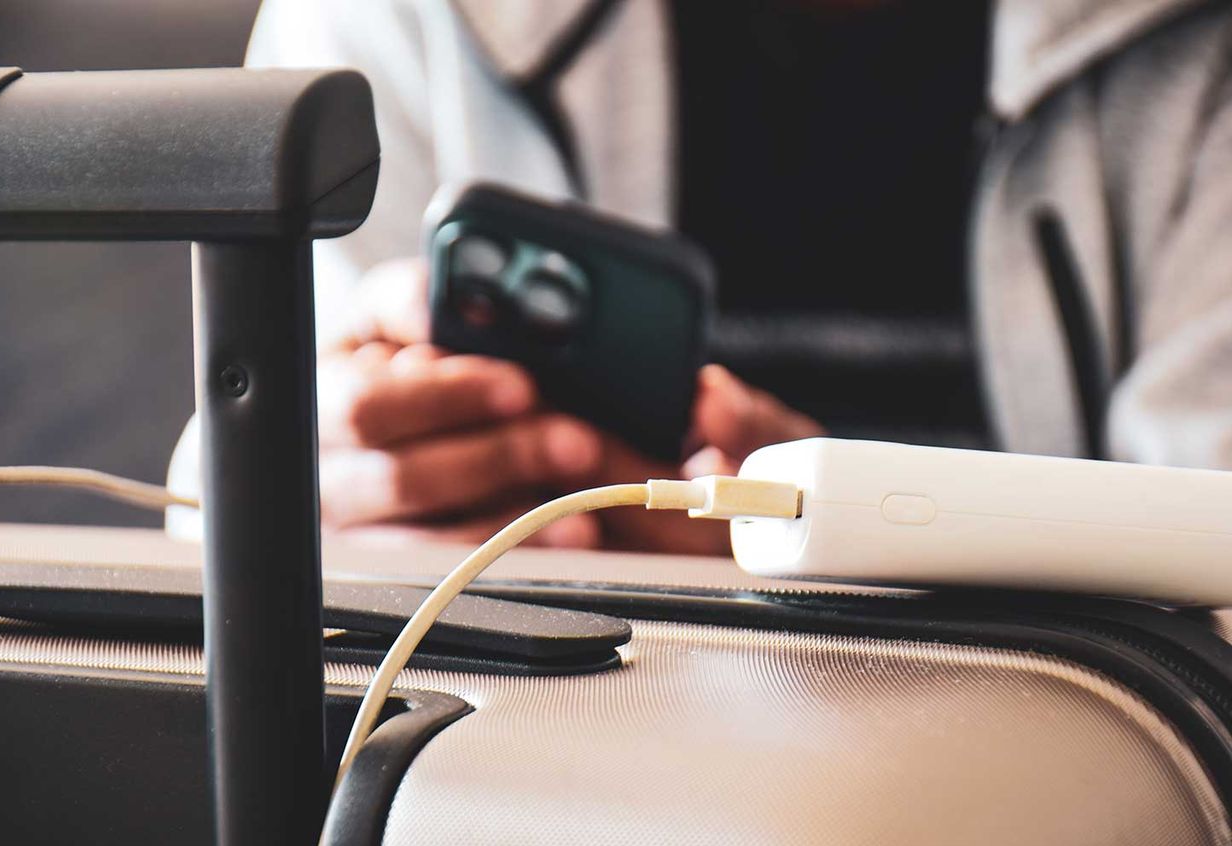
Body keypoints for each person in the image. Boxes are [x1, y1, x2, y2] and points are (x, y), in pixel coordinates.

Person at [169, 0, 1232, 554]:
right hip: (521, 760)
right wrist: (285, 493)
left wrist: (837, 544)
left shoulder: (1199, 62)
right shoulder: (398, 24)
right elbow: (228, 488)